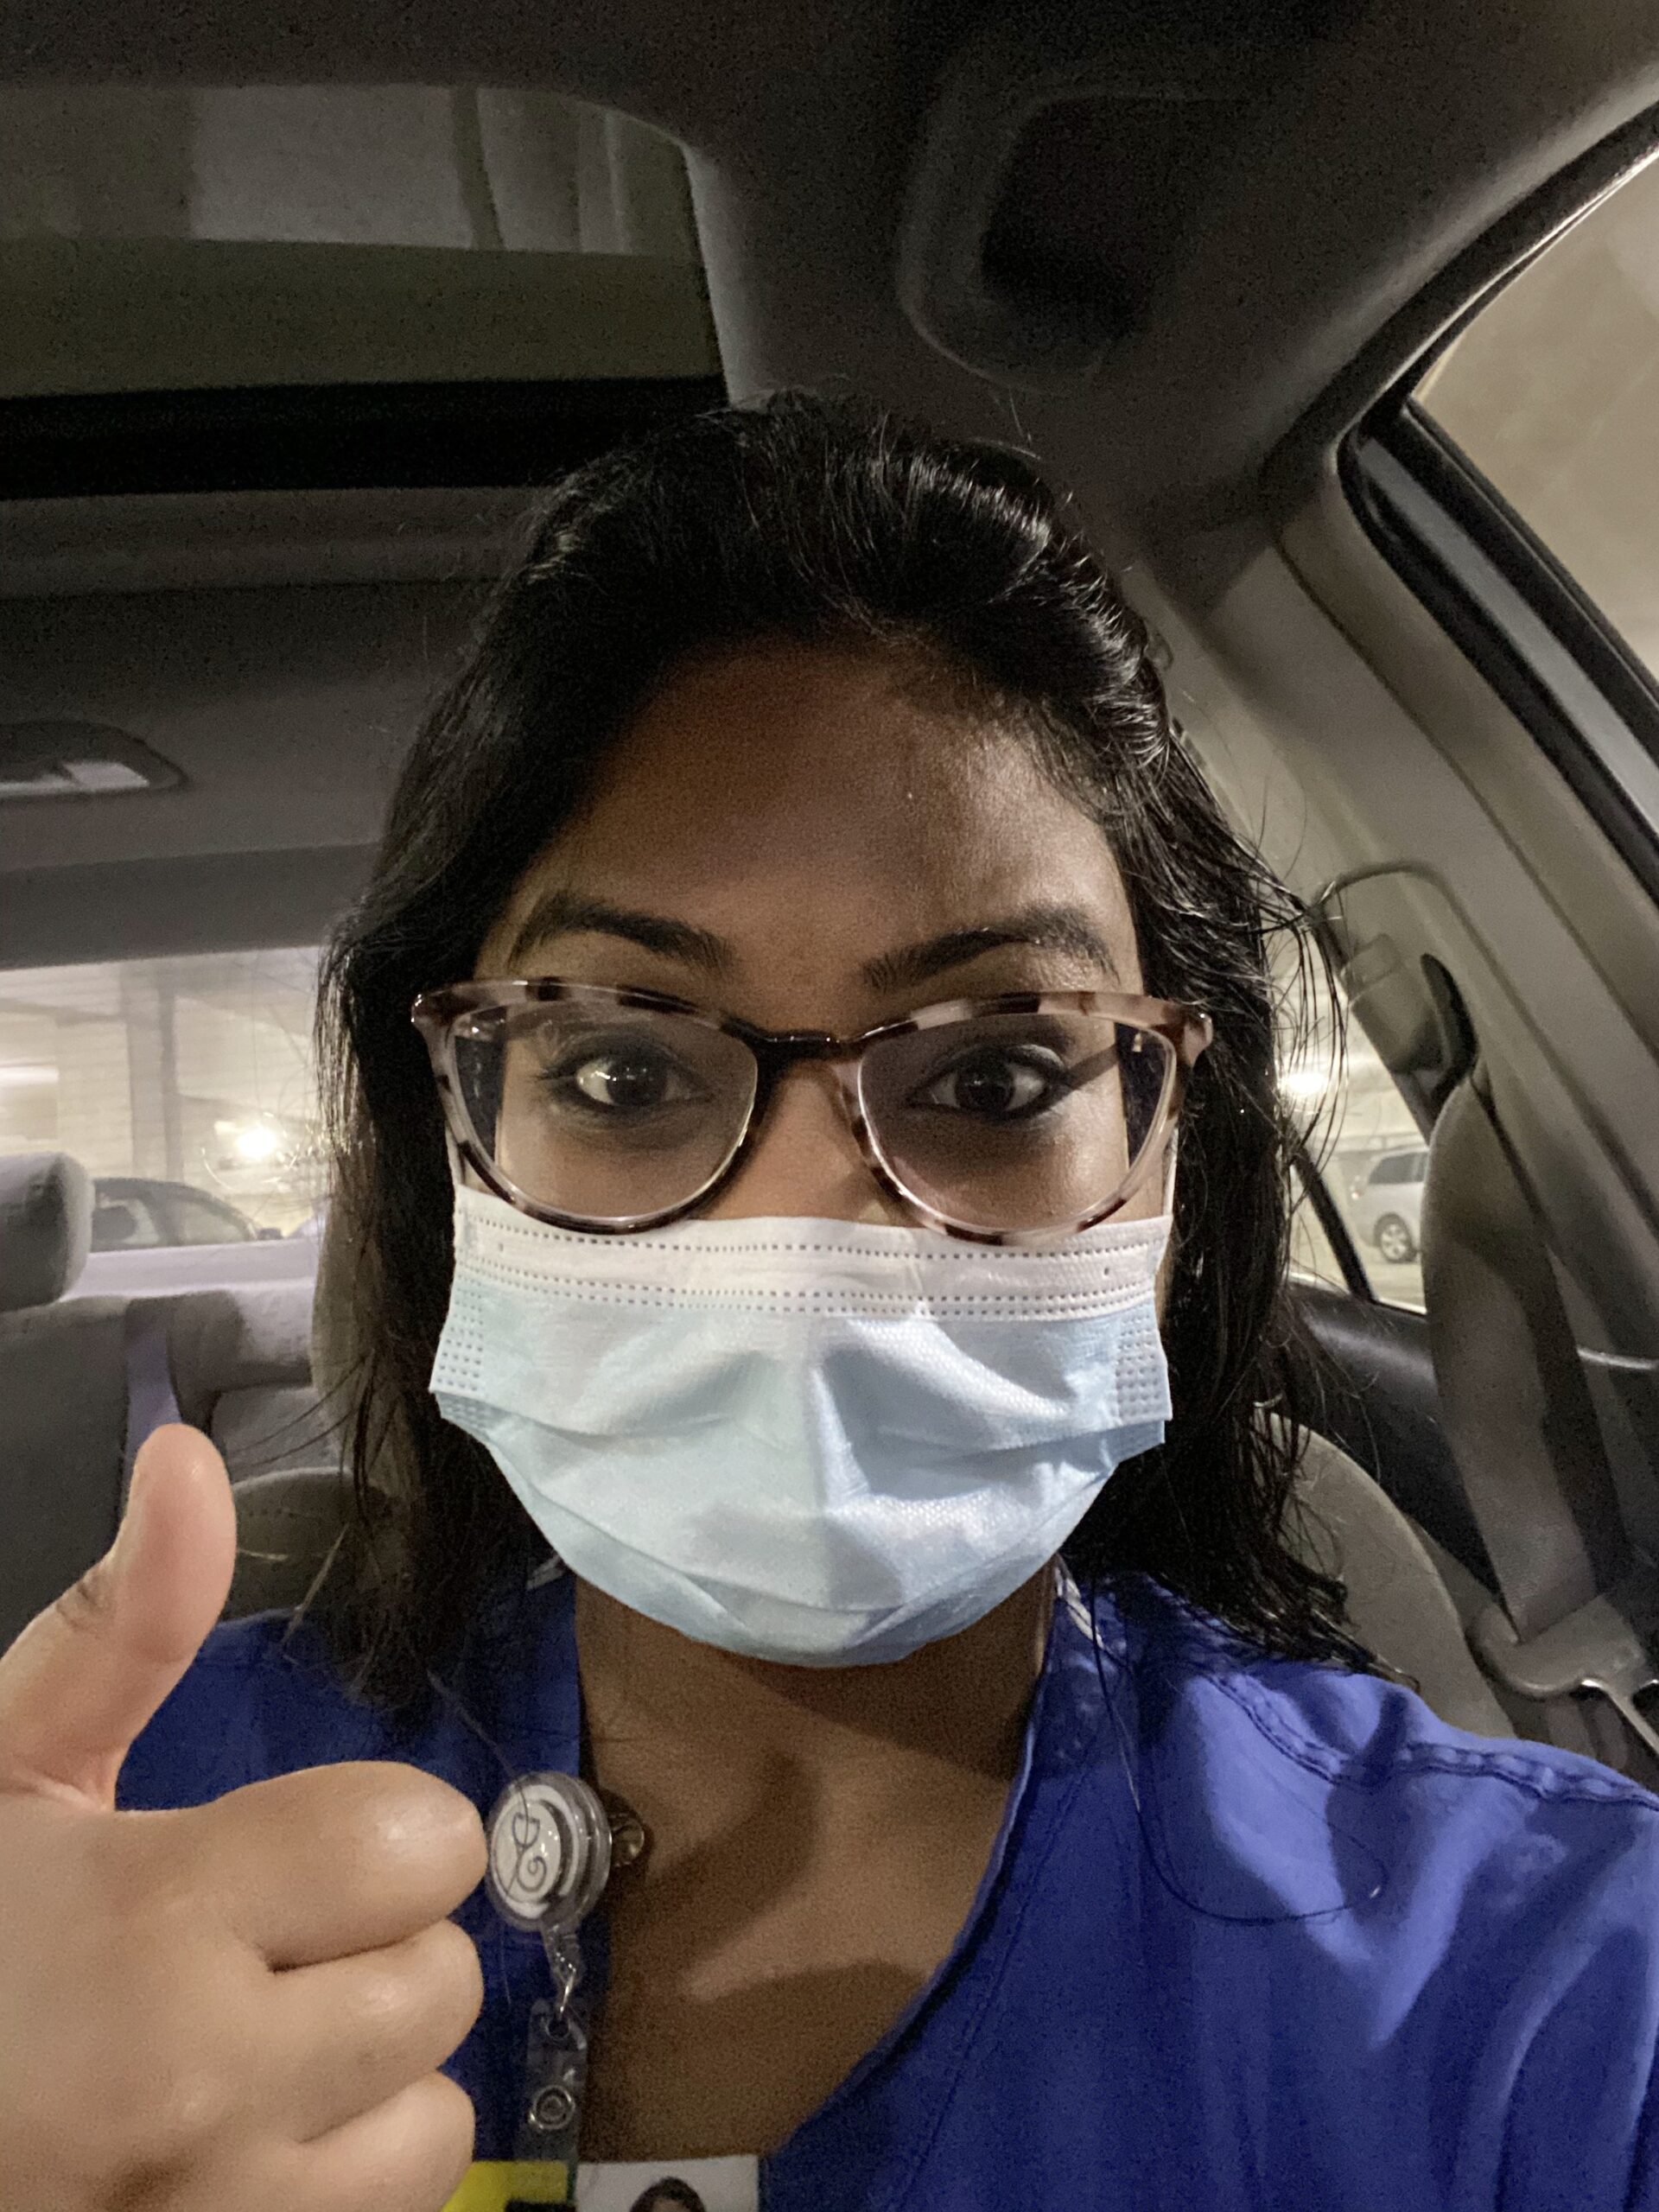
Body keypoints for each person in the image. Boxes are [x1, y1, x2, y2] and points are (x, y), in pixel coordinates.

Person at [2, 394, 1656, 2212]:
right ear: (454, 1152)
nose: (807, 1216)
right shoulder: (110, 1839)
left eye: (1000, 1074)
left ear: (1176, 1155)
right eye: (625, 1070)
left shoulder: (1532, 1976)